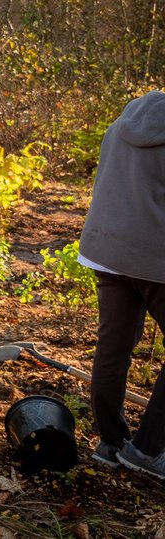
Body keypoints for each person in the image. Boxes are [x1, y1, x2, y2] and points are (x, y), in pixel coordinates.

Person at [78, 90, 165, 479]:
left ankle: (112, 442)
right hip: (153, 256)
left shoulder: (125, 120)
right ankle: (147, 449)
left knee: (113, 346)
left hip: (105, 249)